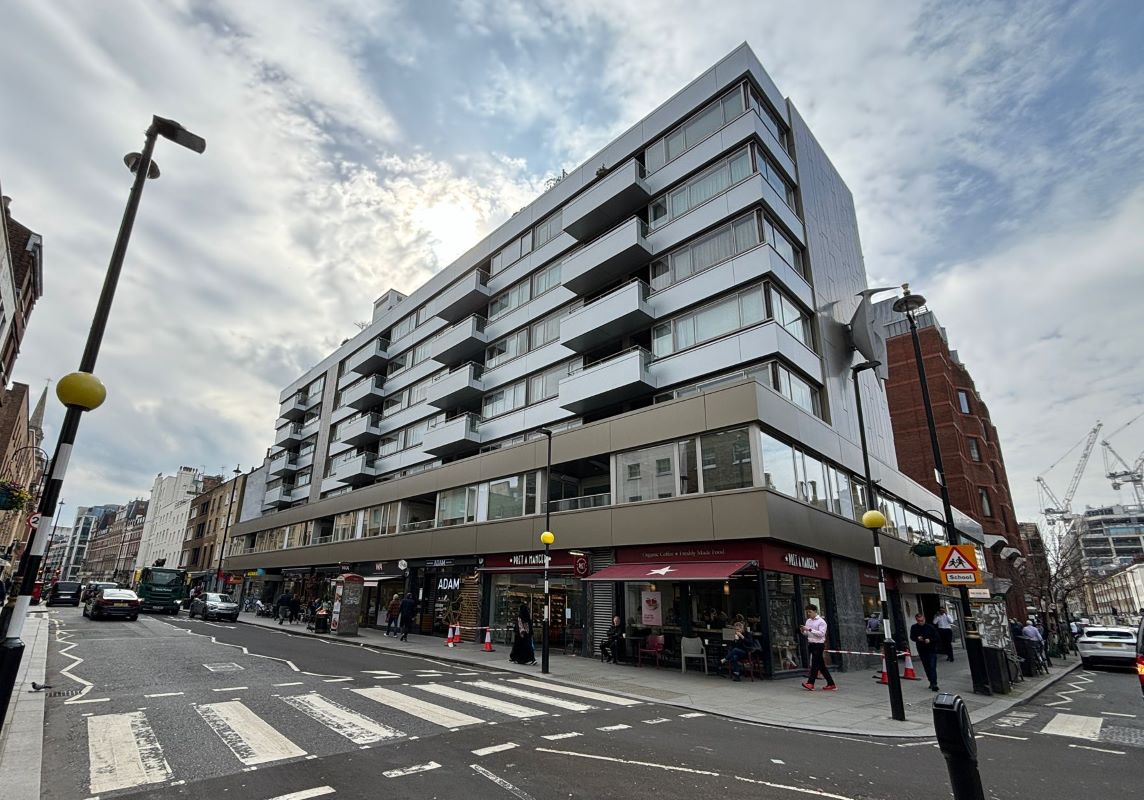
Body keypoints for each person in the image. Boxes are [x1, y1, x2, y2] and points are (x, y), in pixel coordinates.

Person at [800, 604, 836, 691]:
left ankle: (810, 683)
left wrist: (809, 629)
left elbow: (821, 634)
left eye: (810, 612)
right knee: (821, 666)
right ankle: (831, 684)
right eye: (807, 612)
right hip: (811, 644)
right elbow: (807, 634)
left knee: (815, 664)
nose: (808, 614)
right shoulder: (808, 621)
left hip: (818, 645)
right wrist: (803, 631)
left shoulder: (821, 622)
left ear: (815, 611)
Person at [910, 612, 940, 691]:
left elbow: (937, 637)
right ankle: (931, 681)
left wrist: (930, 640)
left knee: (932, 666)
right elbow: (912, 637)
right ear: (916, 620)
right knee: (926, 666)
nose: (921, 622)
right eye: (919, 621)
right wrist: (917, 638)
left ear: (924, 619)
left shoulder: (930, 627)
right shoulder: (914, 627)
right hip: (922, 650)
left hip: (931, 649)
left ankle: (934, 683)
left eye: (922, 620)